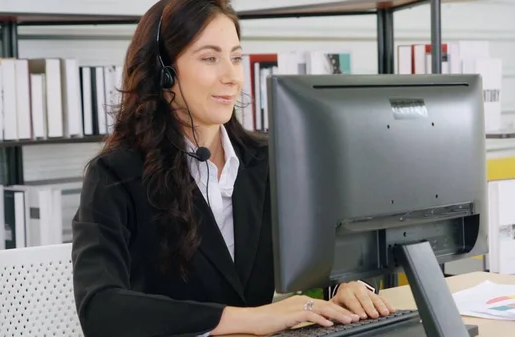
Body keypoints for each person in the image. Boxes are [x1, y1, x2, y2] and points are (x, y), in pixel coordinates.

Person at [70, 0, 395, 336]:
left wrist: (346, 286)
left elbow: (330, 257)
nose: (232, 77)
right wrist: (253, 319)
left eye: (236, 58)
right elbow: (100, 308)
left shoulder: (269, 161)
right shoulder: (114, 175)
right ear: (164, 71)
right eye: (210, 58)